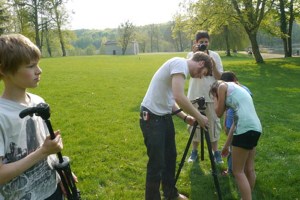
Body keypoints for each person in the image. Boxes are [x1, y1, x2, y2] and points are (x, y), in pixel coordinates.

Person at [140, 52, 214, 200]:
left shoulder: (179, 70)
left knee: (170, 157)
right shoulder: (180, 63)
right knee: (157, 163)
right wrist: (199, 117)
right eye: (203, 73)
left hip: (164, 118)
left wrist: (185, 117)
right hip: (151, 118)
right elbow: (179, 96)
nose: (200, 77)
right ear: (201, 63)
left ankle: (170, 194)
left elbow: (171, 99)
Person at [0, 34, 64, 200]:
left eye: (38, 64)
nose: (39, 70)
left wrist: (60, 175)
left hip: (52, 191)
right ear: (4, 70)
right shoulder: (2, 115)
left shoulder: (38, 102)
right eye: (30, 66)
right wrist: (43, 151)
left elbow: (46, 148)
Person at [209, 80, 262, 200]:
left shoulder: (222, 86)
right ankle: (246, 196)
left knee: (238, 171)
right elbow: (234, 124)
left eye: (214, 95)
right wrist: (226, 146)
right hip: (255, 128)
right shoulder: (237, 90)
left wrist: (215, 98)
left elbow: (218, 113)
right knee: (249, 168)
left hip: (244, 129)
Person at [186, 30, 224, 163]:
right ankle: (194, 151)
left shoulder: (215, 55)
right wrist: (195, 54)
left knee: (213, 123)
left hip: (211, 96)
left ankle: (216, 152)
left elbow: (220, 78)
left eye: (206, 42)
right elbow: (190, 74)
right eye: (201, 42)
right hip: (195, 94)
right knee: (194, 124)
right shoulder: (191, 55)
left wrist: (212, 64)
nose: (203, 44)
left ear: (209, 42)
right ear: (196, 43)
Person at [220, 71, 252, 175]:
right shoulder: (226, 90)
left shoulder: (244, 90)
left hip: (239, 124)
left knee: (234, 148)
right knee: (232, 148)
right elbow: (225, 109)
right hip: (230, 124)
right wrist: (225, 123)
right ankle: (235, 169)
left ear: (234, 80)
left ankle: (233, 170)